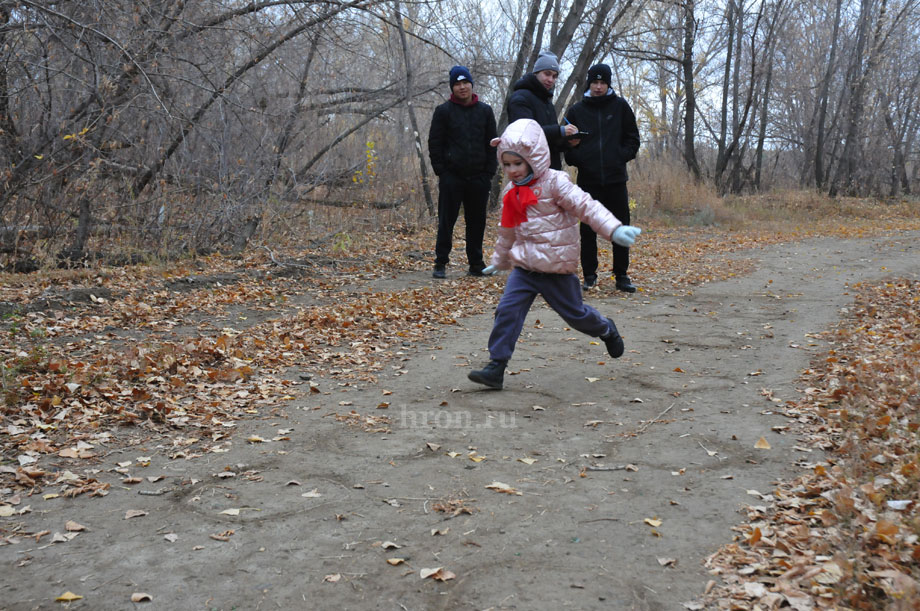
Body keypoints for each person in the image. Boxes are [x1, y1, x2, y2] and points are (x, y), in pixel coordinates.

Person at [468, 119, 642, 390]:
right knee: (507, 311)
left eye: (518, 163)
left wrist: (613, 229)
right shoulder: (509, 193)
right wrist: (500, 260)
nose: (512, 170)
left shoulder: (555, 183)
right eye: (507, 165)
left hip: (556, 270)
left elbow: (587, 207)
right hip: (524, 269)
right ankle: (496, 367)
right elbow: (508, 231)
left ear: (533, 158)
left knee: (577, 315)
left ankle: (606, 328)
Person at [564, 63, 641, 292]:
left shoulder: (620, 107)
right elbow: (566, 144)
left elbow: (633, 139)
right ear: (589, 84)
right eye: (594, 82)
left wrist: (620, 157)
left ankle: (621, 275)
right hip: (588, 181)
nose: (598, 87)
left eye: (602, 82)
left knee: (619, 226)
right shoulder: (577, 110)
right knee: (588, 229)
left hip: (616, 179)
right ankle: (589, 275)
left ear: (608, 84)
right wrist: (580, 158)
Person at [428, 65, 498, 279]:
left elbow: (492, 144)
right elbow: (435, 143)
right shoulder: (443, 111)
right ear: (452, 88)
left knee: (477, 222)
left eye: (465, 82)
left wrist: (489, 172)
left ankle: (476, 264)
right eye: (457, 84)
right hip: (452, 178)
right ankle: (440, 263)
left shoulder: (485, 111)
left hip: (479, 178)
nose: (462, 87)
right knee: (446, 221)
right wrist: (441, 171)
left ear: (471, 84)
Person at [507, 51, 579, 171]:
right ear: (536, 73)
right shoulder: (520, 98)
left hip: (550, 171)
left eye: (554, 76)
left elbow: (549, 142)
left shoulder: (547, 102)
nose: (550, 79)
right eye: (547, 74)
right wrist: (560, 131)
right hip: (528, 171)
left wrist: (568, 142)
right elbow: (526, 135)